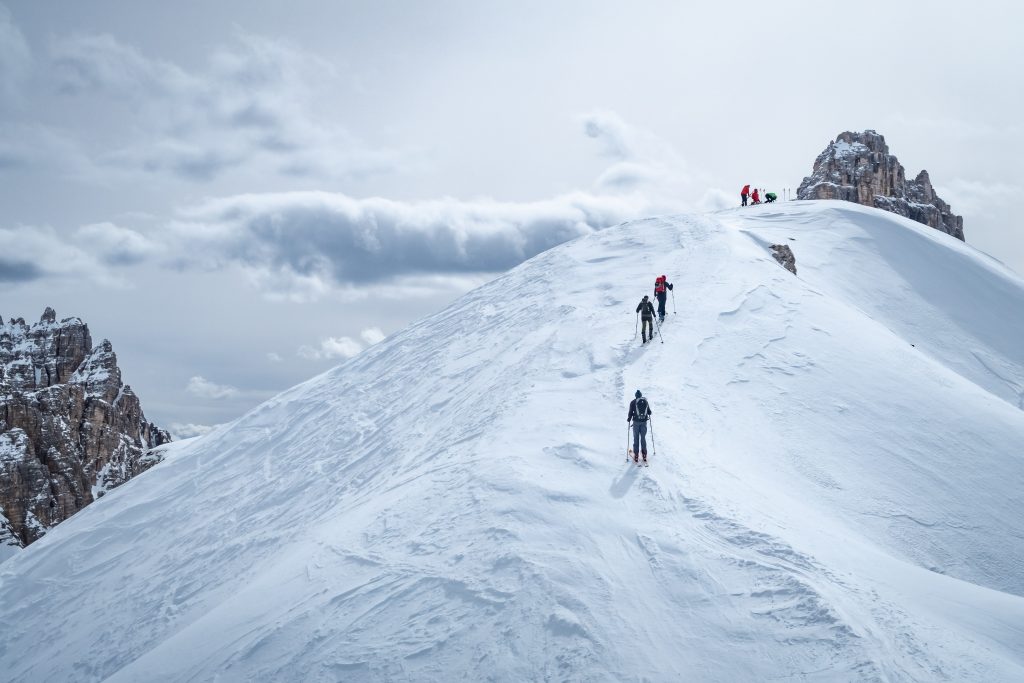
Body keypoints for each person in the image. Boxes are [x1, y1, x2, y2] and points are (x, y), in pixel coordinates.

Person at [627, 389, 652, 463]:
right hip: (644, 422)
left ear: (635, 396)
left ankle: (636, 455)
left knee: (636, 438)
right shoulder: (645, 401)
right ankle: (644, 454)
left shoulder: (633, 402)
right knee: (643, 438)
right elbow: (649, 412)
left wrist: (629, 418)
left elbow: (630, 412)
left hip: (636, 422)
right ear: (641, 395)